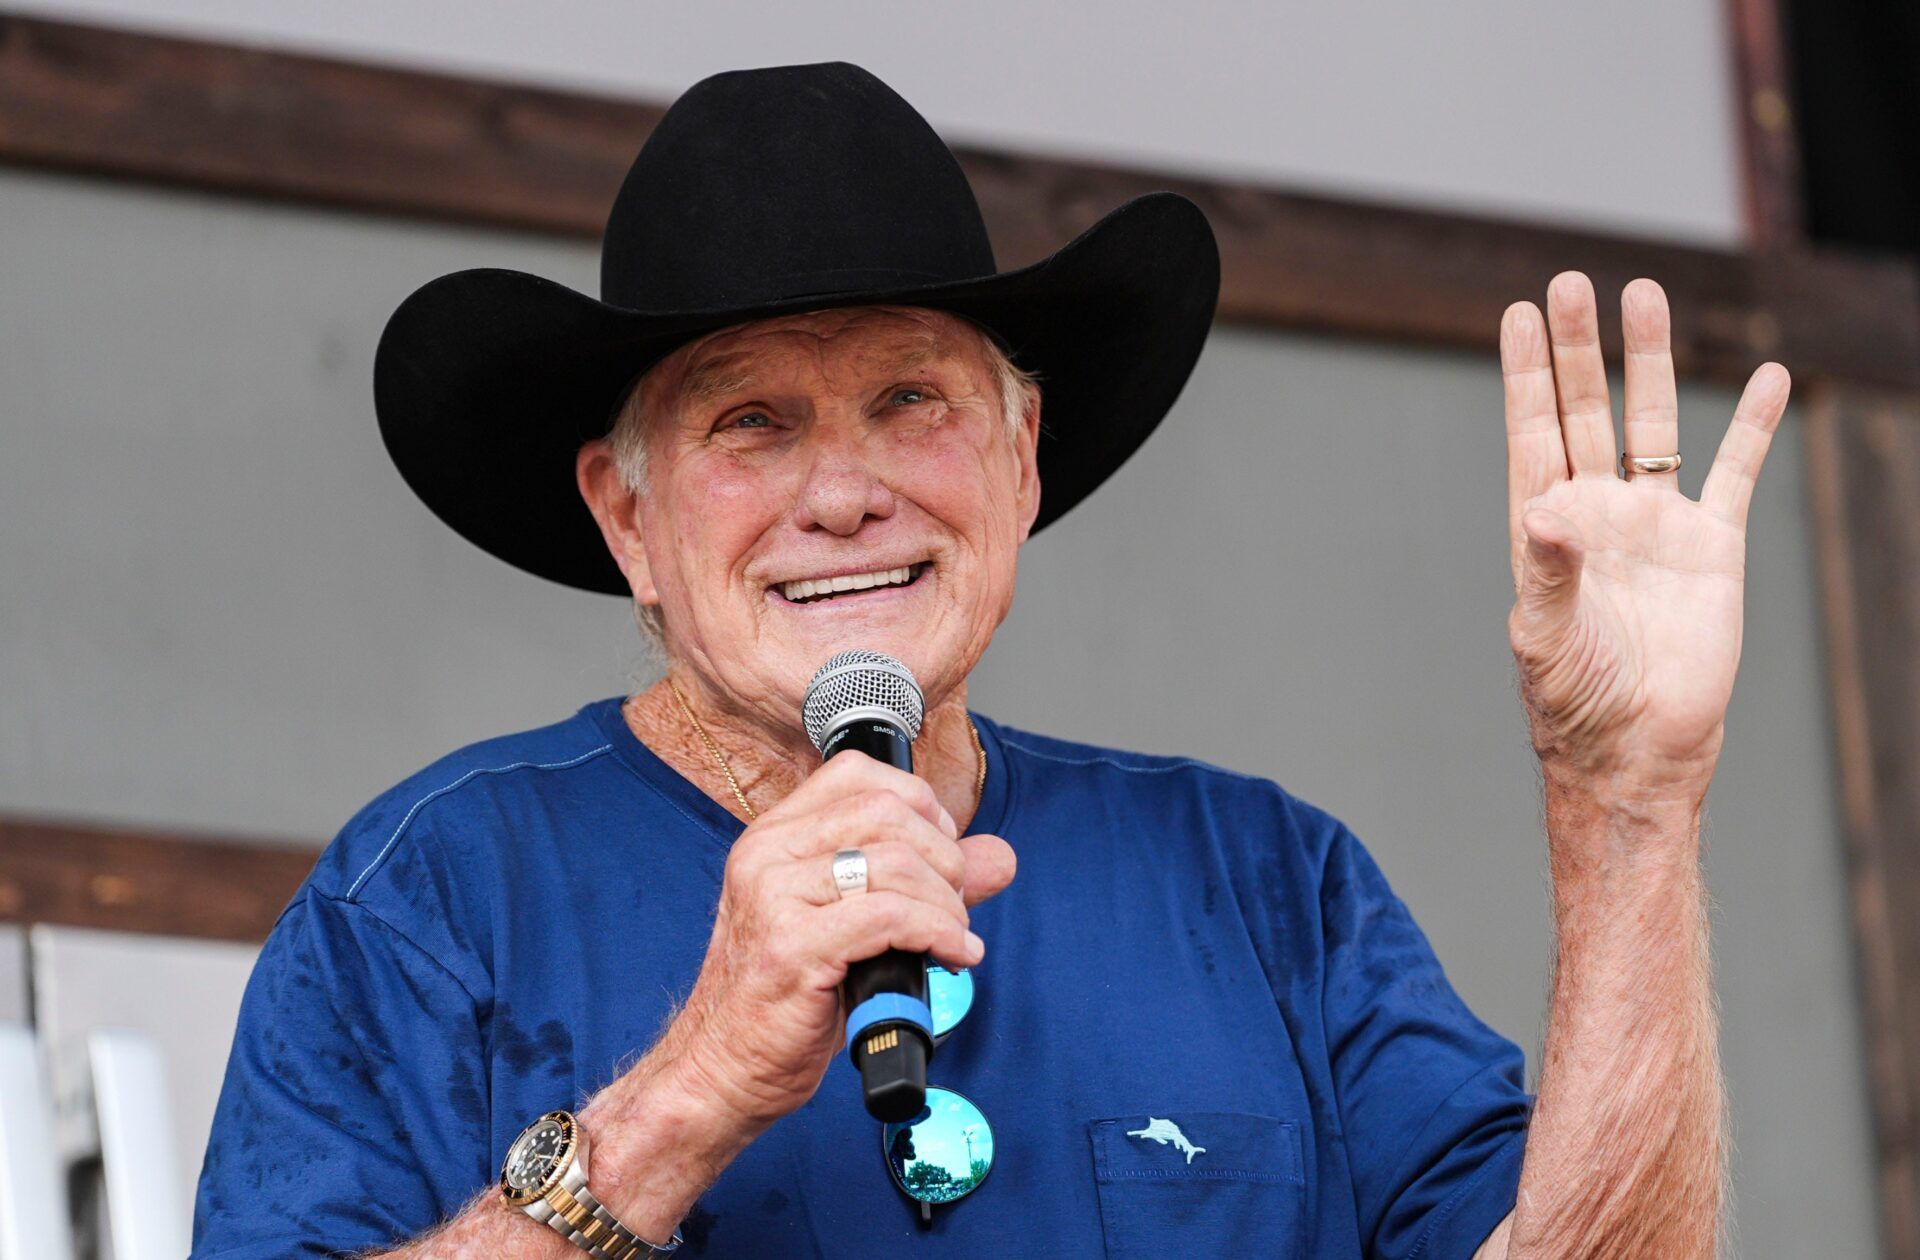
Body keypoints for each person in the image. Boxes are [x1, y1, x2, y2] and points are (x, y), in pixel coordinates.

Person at [190, 61, 1789, 1259]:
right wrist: (686, 1093)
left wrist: (1628, 801)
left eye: (913, 401)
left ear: (1022, 465)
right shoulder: (425, 903)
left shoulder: (1263, 882)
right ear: (629, 517)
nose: (844, 491)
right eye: (752, 421)